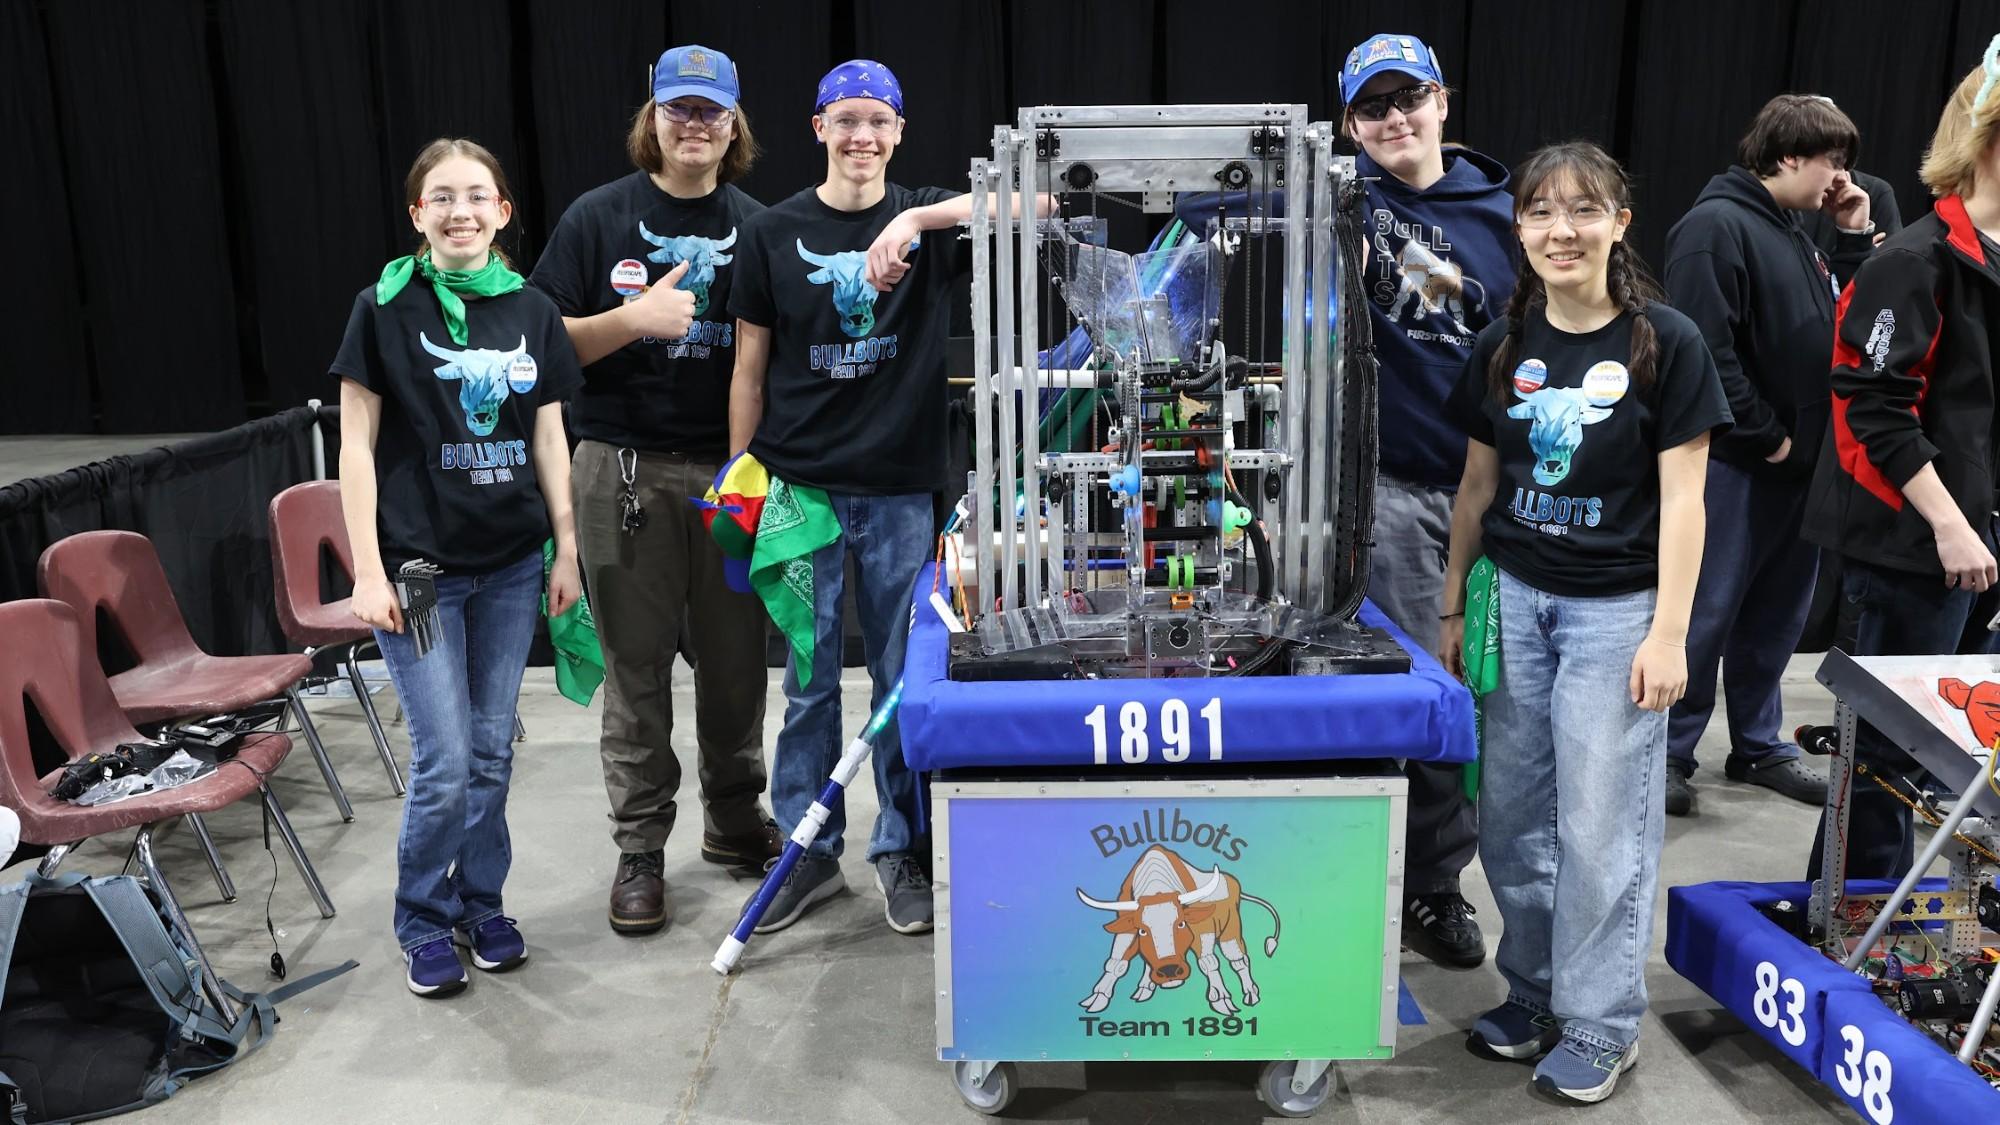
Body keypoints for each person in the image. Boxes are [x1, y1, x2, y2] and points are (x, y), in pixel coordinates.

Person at [726, 60, 1049, 936]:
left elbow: (1040, 201)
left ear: (899, 131)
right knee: (807, 684)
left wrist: (914, 218)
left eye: (878, 120)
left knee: (903, 683)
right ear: (818, 128)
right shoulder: (771, 232)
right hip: (799, 491)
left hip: (903, 491)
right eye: (846, 119)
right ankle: (808, 852)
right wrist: (738, 479)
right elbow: (749, 367)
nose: (861, 135)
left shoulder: (928, 218)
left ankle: (901, 847)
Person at [1440, 142, 1729, 1103]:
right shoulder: (1503, 343)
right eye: (1541, 213)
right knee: (1512, 819)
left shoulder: (1667, 343)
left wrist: (1670, 633)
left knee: (1602, 828)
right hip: (1516, 603)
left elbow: (1686, 503)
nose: (1561, 230)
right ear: (1519, 229)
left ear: (1619, 223)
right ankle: (1535, 991)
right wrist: (1454, 603)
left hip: (1618, 616)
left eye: (1583, 210)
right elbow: (1476, 488)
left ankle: (1603, 1021)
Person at [529, 44, 777, 937]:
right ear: (653, 117)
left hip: (732, 472)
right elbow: (536, 342)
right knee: (635, 673)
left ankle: (734, 816)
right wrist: (630, 321)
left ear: (734, 124)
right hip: (620, 468)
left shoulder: (761, 226)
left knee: (737, 664)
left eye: (711, 110)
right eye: (680, 108)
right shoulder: (597, 218)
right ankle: (640, 848)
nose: (695, 125)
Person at [335, 138, 583, 997]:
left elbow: (549, 437)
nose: (460, 211)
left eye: (477, 195)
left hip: (512, 568)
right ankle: (421, 919)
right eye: (441, 197)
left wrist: (566, 548)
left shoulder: (532, 311)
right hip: (418, 575)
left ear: (502, 212)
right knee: (443, 761)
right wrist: (366, 569)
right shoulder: (381, 308)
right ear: (418, 214)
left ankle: (482, 904)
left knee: (490, 752)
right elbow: (356, 447)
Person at [1338, 31, 1518, 968]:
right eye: (1373, 107)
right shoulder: (1337, 199)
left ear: (1443, 100)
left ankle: (1455, 875)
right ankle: (1424, 884)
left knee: (1498, 698)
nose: (1395, 119)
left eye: (1409, 98)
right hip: (1393, 493)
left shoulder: (1513, 212)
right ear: (1350, 126)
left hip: (1508, 497)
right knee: (1422, 691)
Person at [1803, 51, 2000, 881]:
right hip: (1914, 550)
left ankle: (1904, 922)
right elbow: (1875, 407)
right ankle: (1848, 918)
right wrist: (1950, 525)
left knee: (1955, 755)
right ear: (1986, 137)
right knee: (1885, 756)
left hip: (1980, 544)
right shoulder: (1913, 262)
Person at [1660, 95, 1867, 815]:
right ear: (1788, 156)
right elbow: (1702, 351)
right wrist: (1768, 437)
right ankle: (1668, 750)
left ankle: (1757, 744)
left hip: (1797, 470)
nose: (1840, 177)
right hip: (1735, 465)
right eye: (1832, 161)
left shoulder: (1793, 230)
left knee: (1776, 616)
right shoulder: (1714, 227)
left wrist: (1852, 237)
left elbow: (1848, 326)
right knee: (1705, 613)